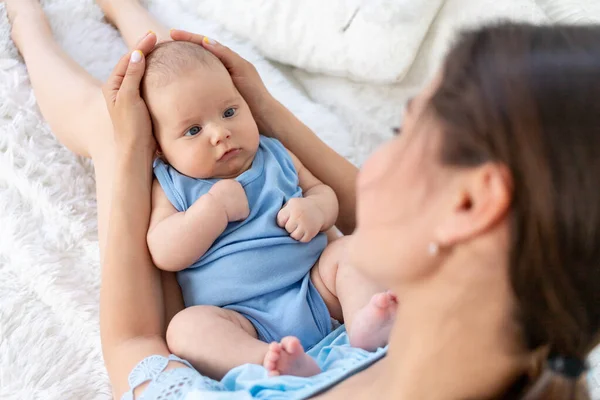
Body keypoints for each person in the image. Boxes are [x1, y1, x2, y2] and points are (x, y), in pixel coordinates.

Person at [5, 0, 599, 398]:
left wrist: (136, 154)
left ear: (472, 204)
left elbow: (133, 345)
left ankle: (27, 24)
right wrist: (262, 113)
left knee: (121, 129)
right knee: (181, 90)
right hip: (289, 289)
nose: (371, 169)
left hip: (239, 312)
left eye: (402, 132)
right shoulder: (512, 351)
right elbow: (371, 217)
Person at [142, 41, 395, 379]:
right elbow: (163, 250)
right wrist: (211, 210)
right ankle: (268, 360)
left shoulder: (274, 154)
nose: (221, 133)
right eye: (193, 130)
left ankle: (364, 322)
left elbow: (323, 192)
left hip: (315, 288)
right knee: (184, 329)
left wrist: (315, 209)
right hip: (240, 318)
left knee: (350, 251)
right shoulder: (172, 186)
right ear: (160, 149)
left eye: (229, 112)